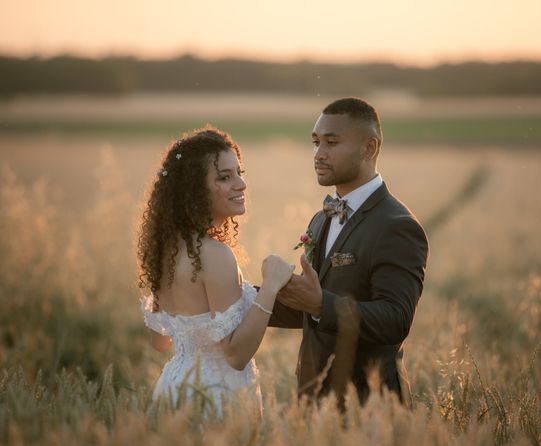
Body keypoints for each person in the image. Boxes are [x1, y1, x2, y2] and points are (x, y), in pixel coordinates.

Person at [269, 98, 429, 407]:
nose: (318, 153)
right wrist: (237, 298)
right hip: (313, 400)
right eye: (315, 142)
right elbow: (310, 306)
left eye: (331, 142)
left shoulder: (396, 226)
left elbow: (395, 319)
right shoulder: (321, 218)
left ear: (369, 148)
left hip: (370, 405)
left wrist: (320, 304)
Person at [137, 127, 293, 418]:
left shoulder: (167, 250)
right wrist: (271, 287)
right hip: (214, 396)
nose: (241, 184)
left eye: (239, 172)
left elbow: (160, 342)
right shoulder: (214, 254)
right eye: (225, 177)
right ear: (194, 190)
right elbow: (235, 355)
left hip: (173, 389)